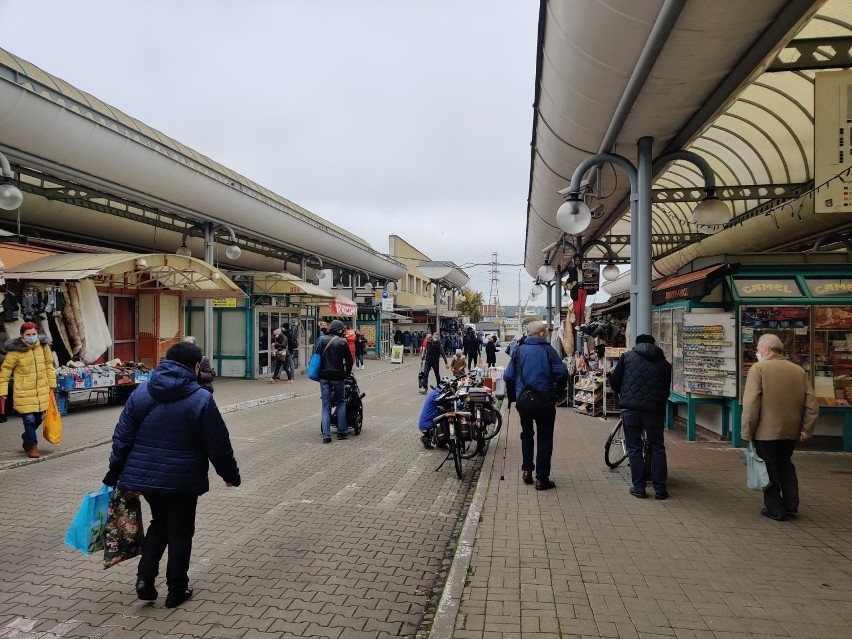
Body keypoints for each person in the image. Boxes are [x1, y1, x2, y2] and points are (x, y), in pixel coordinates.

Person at [102, 341, 241, 608]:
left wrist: (114, 471)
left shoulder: (142, 391)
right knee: (180, 531)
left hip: (145, 477)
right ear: (196, 366)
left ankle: (145, 580)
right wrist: (230, 474)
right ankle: (177, 588)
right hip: (183, 479)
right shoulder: (201, 398)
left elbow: (122, 437)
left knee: (160, 523)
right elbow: (218, 443)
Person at [741, 333, 818, 521]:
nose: (757, 353)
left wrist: (747, 431)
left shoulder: (758, 369)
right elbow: (811, 402)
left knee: (768, 468)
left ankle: (774, 508)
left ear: (766, 350)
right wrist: (806, 427)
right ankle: (791, 504)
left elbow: (752, 403)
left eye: (758, 349)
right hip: (790, 430)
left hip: (765, 431)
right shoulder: (798, 370)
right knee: (786, 465)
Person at [503, 321, 567, 490]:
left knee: (526, 434)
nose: (546, 333)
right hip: (545, 400)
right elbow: (562, 372)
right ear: (540, 333)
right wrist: (557, 391)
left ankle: (526, 470)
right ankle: (541, 479)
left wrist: (514, 394)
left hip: (524, 401)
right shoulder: (548, 350)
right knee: (545, 438)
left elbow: (508, 376)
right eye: (545, 331)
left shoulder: (518, 351)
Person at [609, 334, 672, 500]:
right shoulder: (665, 363)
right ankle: (660, 489)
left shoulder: (627, 357)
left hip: (631, 409)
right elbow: (666, 389)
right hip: (654, 411)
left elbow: (615, 381)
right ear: (654, 344)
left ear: (636, 344)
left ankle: (639, 488)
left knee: (634, 447)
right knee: (658, 447)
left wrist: (623, 392)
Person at [0, 322, 57, 458]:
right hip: (24, 391)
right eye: (28, 335)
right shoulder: (15, 351)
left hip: (41, 390)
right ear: (22, 335)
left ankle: (26, 436)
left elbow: (49, 365)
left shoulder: (44, 347)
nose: (31, 337)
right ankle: (32, 445)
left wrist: (52, 385)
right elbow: (5, 370)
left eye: (33, 334)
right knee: (29, 419)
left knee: (39, 417)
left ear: (37, 333)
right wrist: (3, 391)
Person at [316, 319, 353, 442]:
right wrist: (347, 374)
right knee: (341, 402)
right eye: (342, 329)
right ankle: (342, 431)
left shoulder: (321, 340)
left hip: (324, 376)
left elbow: (316, 356)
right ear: (338, 330)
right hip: (338, 376)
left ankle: (326, 435)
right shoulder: (342, 342)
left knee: (325, 405)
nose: (343, 331)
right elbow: (349, 361)